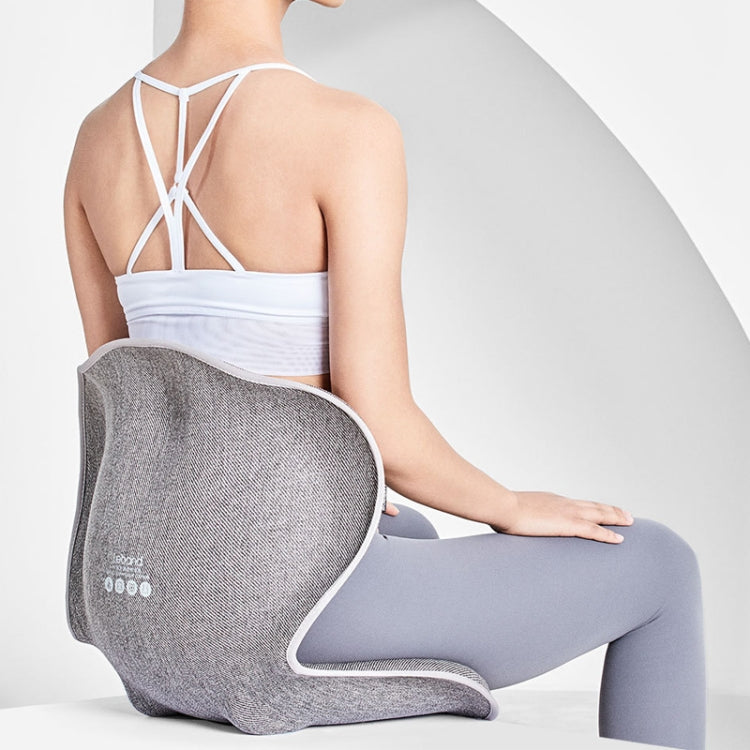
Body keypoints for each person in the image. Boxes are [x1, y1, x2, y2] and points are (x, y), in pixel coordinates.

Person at [63, 1, 706, 748]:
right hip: (264, 623)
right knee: (660, 565)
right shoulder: (344, 130)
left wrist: (325, 485)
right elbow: (386, 429)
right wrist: (508, 506)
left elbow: (137, 411)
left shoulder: (96, 138)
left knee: (407, 529)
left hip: (138, 613)